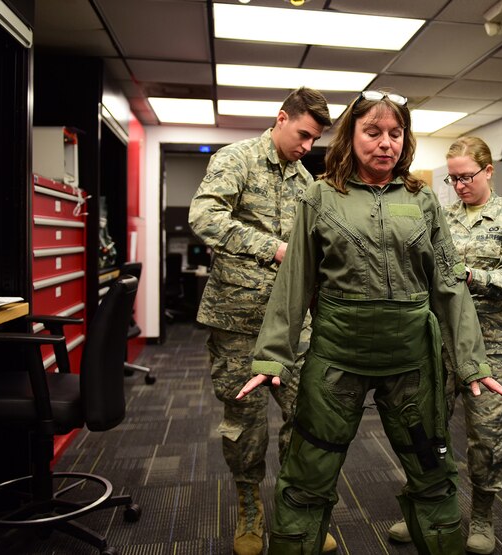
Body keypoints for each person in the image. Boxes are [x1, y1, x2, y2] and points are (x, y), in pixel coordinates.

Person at [237, 90, 502, 555]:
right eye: (373, 132)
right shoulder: (320, 196)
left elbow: (448, 284)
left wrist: (472, 364)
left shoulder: (422, 200)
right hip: (336, 360)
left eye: (395, 133)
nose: (385, 143)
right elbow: (294, 281)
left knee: (433, 477)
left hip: (411, 364)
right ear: (352, 136)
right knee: (307, 478)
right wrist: (271, 356)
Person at [188, 87, 336, 555]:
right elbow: (204, 215)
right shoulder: (238, 159)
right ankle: (249, 509)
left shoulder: (305, 181)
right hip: (239, 322)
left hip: (294, 326)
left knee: (305, 421)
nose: (307, 147)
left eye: (314, 141)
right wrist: (270, 248)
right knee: (245, 425)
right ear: (281, 118)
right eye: (303, 135)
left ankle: (294, 512)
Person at [386, 136, 502, 554]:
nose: (460, 185)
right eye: (452, 179)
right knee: (427, 428)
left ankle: (483, 515)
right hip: (439, 342)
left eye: (467, 176)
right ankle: (426, 505)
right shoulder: (441, 214)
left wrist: (468, 276)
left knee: (485, 436)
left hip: (492, 344)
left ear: (489, 171)